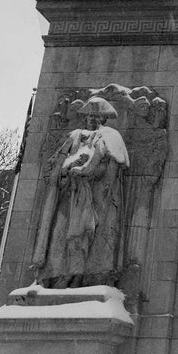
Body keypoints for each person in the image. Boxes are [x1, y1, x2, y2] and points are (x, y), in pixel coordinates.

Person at [33, 97, 130, 288]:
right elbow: (55, 169)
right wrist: (68, 171)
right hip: (67, 197)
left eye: (97, 116)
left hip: (94, 199)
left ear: (103, 119)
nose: (92, 120)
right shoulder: (73, 137)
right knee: (59, 234)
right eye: (89, 116)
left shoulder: (109, 136)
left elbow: (110, 170)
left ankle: (80, 275)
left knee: (83, 236)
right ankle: (56, 275)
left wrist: (87, 172)